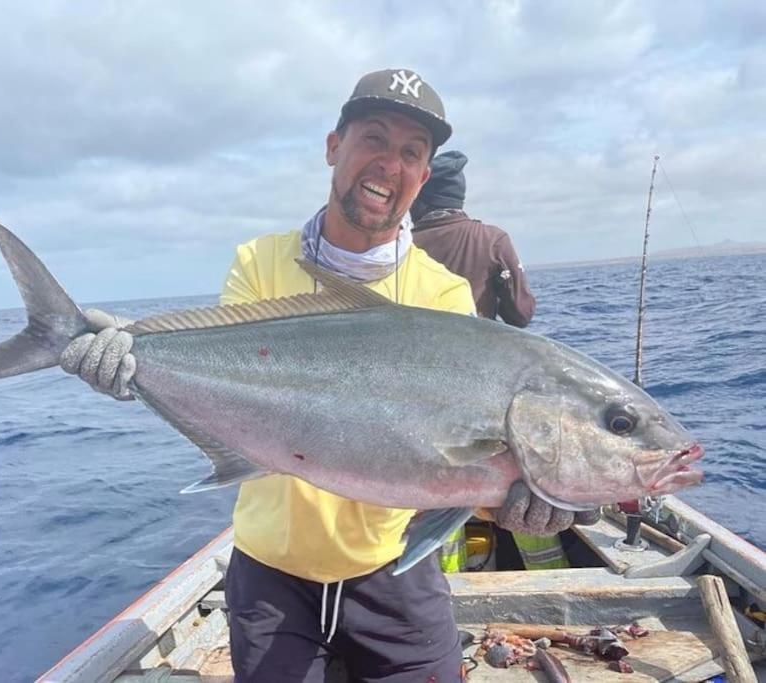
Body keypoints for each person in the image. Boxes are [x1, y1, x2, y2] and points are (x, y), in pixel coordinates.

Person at [59, 69, 593, 682]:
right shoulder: (261, 262)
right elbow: (222, 376)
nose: (389, 164)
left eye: (411, 153)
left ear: (423, 176)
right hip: (270, 570)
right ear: (334, 146)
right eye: (374, 139)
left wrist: (509, 503)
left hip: (391, 565)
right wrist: (132, 361)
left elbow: (451, 458)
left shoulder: (441, 294)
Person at [411, 152, 599, 572]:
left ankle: (449, 584)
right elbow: (520, 314)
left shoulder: (404, 249)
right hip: (491, 389)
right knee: (526, 474)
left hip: (419, 393)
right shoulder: (492, 239)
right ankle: (548, 580)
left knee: (444, 485)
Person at [411, 150, 535, 327]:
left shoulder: (400, 246)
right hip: (478, 352)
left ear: (419, 199)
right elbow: (521, 315)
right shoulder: (493, 240)